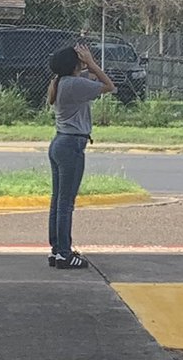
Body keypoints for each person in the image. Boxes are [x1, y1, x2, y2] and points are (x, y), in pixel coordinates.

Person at [47, 42, 116, 270]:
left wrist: (86, 65)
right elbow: (109, 86)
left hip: (59, 142)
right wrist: (93, 63)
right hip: (72, 145)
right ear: (75, 64)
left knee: (58, 201)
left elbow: (90, 79)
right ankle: (65, 255)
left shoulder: (60, 82)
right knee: (66, 204)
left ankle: (57, 250)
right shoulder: (75, 84)